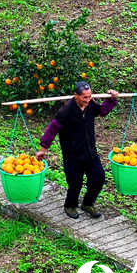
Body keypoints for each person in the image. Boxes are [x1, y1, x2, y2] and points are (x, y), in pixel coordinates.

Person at [34, 82, 119, 220]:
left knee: (99, 178)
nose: (88, 100)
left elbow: (102, 111)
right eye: (84, 97)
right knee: (75, 183)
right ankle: (70, 205)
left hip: (90, 152)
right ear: (76, 96)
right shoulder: (66, 111)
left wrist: (112, 99)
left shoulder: (91, 105)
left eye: (90, 96)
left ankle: (87, 203)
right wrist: (43, 149)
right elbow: (52, 129)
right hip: (72, 155)